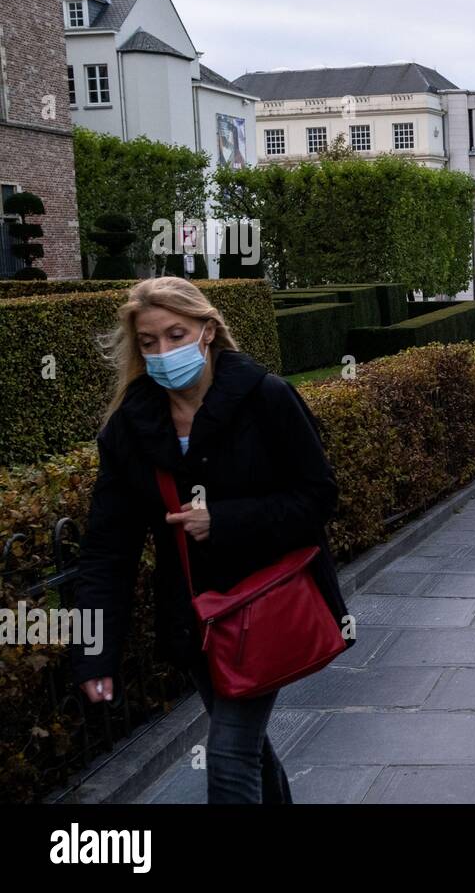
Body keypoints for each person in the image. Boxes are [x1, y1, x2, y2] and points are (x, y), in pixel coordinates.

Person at [72, 277, 350, 804]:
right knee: (245, 747)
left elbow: (318, 498)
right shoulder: (131, 426)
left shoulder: (265, 397)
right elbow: (108, 549)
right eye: (149, 342)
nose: (162, 352)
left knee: (227, 755)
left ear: (207, 329)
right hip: (194, 620)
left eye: (175, 334)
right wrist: (94, 651)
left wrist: (223, 519)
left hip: (264, 606)